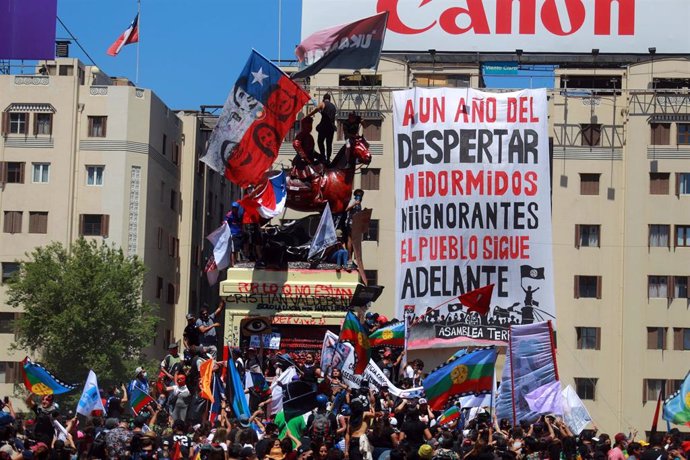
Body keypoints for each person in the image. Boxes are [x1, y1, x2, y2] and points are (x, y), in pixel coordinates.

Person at [307, 94, 337, 162]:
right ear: (330, 99)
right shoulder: (333, 106)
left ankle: (323, 156)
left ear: (324, 98)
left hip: (324, 127)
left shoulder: (323, 104)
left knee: (320, 141)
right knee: (329, 143)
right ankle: (328, 158)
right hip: (331, 128)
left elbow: (317, 108)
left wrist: (309, 115)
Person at [344, 189, 364, 270]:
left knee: (355, 241)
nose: (360, 197)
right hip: (350, 223)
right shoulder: (353, 201)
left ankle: (353, 258)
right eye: (358, 195)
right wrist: (354, 204)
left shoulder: (359, 204)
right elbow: (347, 209)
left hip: (356, 224)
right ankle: (349, 258)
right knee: (350, 240)